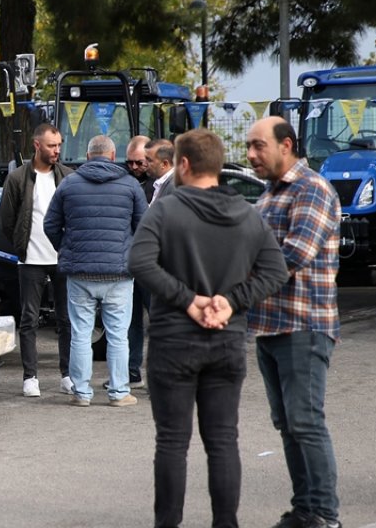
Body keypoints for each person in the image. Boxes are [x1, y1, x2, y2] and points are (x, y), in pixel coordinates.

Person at [129, 128, 289, 528]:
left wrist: (188, 299)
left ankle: (168, 523)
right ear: (218, 166)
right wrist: (229, 301)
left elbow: (140, 262)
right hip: (226, 340)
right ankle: (225, 523)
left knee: (171, 442)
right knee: (222, 441)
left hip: (173, 342)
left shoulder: (164, 211)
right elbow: (276, 270)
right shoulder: (247, 214)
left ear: (182, 164)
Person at [245, 117, 343, 528]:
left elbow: (293, 256)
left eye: (258, 145)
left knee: (305, 421)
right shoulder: (267, 197)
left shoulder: (312, 189)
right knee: (287, 424)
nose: (250, 154)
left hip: (303, 324)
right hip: (269, 326)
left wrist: (233, 293)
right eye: (248, 146)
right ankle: (305, 508)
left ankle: (324, 513)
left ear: (286, 145)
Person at [44, 134, 145, 407]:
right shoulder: (131, 185)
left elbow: (50, 225)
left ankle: (82, 393)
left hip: (80, 273)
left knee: (80, 334)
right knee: (117, 335)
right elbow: (144, 228)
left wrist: (67, 250)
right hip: (120, 274)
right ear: (114, 156)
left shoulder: (68, 184)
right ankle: (120, 392)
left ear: (88, 156)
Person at [0, 122, 73, 397]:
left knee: (66, 319)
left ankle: (68, 374)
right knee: (29, 318)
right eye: (52, 145)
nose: (57, 150)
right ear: (37, 145)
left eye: (59, 145)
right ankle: (30, 377)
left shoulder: (67, 176)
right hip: (30, 259)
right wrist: (21, 244)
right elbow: (6, 219)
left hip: (62, 257)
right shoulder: (17, 178)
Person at [124, 135, 152, 389]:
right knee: (130, 321)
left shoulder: (160, 185)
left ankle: (159, 372)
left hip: (154, 263)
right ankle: (132, 371)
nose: (133, 167)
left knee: (159, 319)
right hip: (129, 262)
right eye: (130, 162)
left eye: (139, 163)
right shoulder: (124, 182)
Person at [147, 138, 176, 203]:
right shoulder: (161, 183)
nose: (145, 164)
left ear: (164, 164)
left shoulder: (174, 186)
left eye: (149, 160)